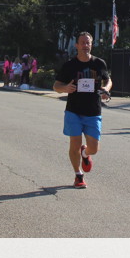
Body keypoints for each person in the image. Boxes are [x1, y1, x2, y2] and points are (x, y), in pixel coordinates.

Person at [53, 32, 112, 189]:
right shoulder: (70, 65)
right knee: (75, 145)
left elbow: (108, 80)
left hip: (93, 111)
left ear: (91, 45)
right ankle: (78, 175)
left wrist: (106, 89)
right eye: (83, 43)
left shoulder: (99, 63)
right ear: (77, 45)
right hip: (74, 111)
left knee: (94, 148)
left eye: (88, 43)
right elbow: (56, 86)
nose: (85, 45)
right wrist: (65, 88)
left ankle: (85, 154)